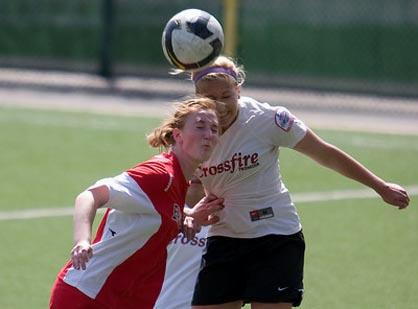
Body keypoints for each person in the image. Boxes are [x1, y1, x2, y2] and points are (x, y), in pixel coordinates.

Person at [187, 56, 411, 309]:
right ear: (196, 95)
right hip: (225, 236)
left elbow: (325, 153)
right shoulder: (189, 132)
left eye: (226, 96)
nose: (220, 106)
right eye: (210, 98)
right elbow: (190, 191)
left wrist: (380, 187)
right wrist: (196, 210)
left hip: (275, 237)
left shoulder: (268, 119)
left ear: (238, 90)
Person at [49, 97, 224, 309]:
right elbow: (91, 196)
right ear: (178, 135)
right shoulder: (159, 174)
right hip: (90, 294)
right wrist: (82, 241)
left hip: (125, 299)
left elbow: (154, 214)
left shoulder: (179, 182)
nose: (208, 135)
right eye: (200, 127)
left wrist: (188, 217)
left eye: (214, 129)